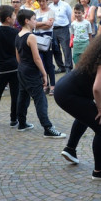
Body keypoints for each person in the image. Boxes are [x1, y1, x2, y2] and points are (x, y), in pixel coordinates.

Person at [55, 25, 101, 181]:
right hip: (68, 93)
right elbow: (97, 88)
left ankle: (70, 149)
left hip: (67, 91)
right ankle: (100, 171)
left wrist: (100, 106)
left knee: (90, 115)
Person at [15, 9, 65, 138]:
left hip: (22, 70)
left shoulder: (18, 35)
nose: (36, 21)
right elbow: (37, 58)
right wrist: (44, 74)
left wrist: (22, 67)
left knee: (23, 96)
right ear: (27, 21)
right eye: (34, 19)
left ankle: (21, 123)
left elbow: (18, 56)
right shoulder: (30, 36)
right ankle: (47, 128)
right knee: (40, 99)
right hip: (31, 71)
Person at [0, 5, 20, 127]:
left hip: (0, 67)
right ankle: (13, 119)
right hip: (13, 67)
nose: (15, 17)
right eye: (13, 15)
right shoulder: (16, 32)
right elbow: (17, 51)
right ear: (8, 18)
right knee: (15, 93)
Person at [34, 0, 57, 95]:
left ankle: (52, 85)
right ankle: (44, 84)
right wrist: (43, 23)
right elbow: (33, 25)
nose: (42, 3)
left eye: (43, 1)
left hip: (47, 39)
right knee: (40, 63)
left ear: (46, 0)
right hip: (37, 38)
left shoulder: (51, 11)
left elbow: (49, 25)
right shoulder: (35, 12)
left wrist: (39, 24)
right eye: (39, 1)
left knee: (49, 63)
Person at [49, 0, 73, 73]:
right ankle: (61, 67)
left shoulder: (65, 5)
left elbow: (70, 16)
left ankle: (68, 67)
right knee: (56, 49)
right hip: (53, 30)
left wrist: (69, 27)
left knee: (66, 49)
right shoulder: (50, 7)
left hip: (63, 29)